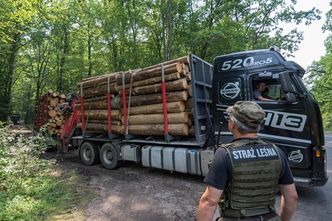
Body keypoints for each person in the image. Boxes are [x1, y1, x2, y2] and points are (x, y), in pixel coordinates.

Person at [197, 101, 298, 221]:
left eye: (229, 119)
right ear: (258, 126)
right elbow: (291, 197)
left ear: (232, 124)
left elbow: (209, 202)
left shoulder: (224, 154)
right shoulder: (277, 152)